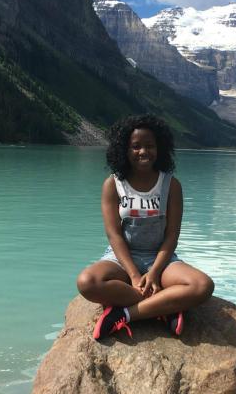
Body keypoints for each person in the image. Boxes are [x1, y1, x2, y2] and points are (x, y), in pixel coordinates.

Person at [77, 114, 214, 340]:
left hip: (160, 258)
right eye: (136, 146)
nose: (143, 152)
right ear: (125, 150)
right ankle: (165, 306)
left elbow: (171, 235)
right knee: (87, 282)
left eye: (150, 146)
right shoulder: (113, 184)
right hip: (121, 258)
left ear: (160, 148)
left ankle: (126, 314)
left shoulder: (171, 184)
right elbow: (114, 234)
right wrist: (133, 275)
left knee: (202, 286)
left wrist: (155, 272)